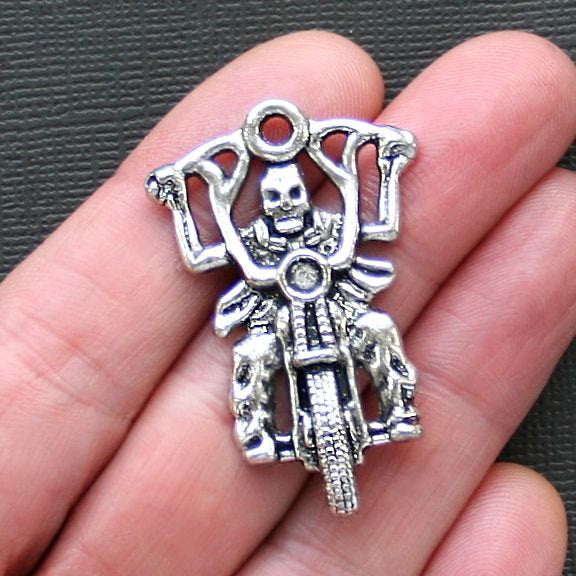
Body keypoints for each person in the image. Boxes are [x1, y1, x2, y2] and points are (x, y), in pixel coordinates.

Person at [0, 29, 574, 574]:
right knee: (251, 360)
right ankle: (256, 428)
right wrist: (184, 201)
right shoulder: (251, 239)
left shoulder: (329, 227)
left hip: (337, 308)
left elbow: (376, 225)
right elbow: (203, 255)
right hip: (276, 319)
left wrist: (382, 166)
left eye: (294, 191)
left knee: (379, 332)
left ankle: (398, 406)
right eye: (272, 196)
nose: (284, 203)